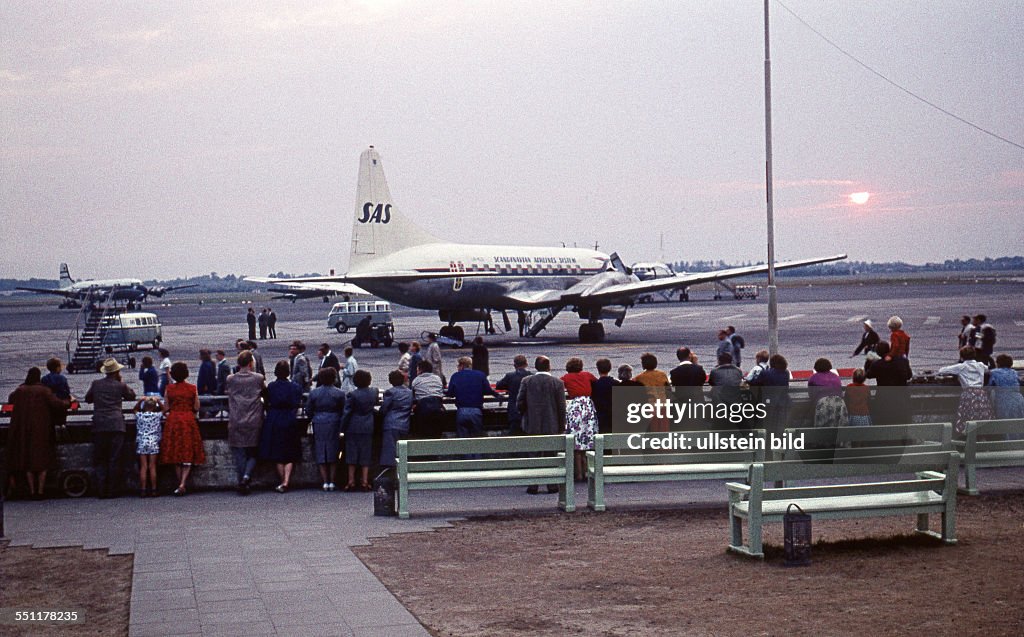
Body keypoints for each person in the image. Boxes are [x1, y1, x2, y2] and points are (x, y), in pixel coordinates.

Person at [7, 367, 70, 499]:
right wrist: (68, 402)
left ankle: (31, 491)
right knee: (42, 461)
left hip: (23, 430)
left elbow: (10, 399)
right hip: (41, 429)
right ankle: (40, 491)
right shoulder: (44, 391)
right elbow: (57, 404)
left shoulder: (20, 390)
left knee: (28, 462)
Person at [84, 358, 137, 498]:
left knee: (100, 458)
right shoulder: (120, 385)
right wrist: (121, 382)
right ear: (117, 371)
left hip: (99, 425)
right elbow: (132, 396)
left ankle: (101, 489)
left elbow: (87, 398)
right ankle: (113, 489)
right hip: (116, 425)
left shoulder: (96, 384)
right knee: (114, 458)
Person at [516, 356, 566, 494]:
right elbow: (562, 408)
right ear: (549, 366)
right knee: (551, 455)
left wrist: (526, 415)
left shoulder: (526, 381)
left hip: (532, 424)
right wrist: (561, 426)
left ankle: (533, 485)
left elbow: (519, 403)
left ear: (536, 367)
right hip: (552, 424)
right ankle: (552, 485)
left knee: (534, 456)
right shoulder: (558, 383)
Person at [160, 361, 205, 496]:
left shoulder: (169, 389)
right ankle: (182, 483)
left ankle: (180, 483)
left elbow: (166, 407)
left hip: (173, 420)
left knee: (176, 452)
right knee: (187, 450)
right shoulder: (192, 388)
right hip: (187, 419)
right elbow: (197, 407)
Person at [259, 360, 304, 492]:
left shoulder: (271, 387)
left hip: (274, 418)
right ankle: (286, 481)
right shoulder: (295, 387)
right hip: (289, 417)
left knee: (278, 452)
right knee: (289, 452)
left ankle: (282, 480)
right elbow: (297, 403)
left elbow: (266, 402)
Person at [226, 350, 266, 494]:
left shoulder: (231, 379)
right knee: (253, 452)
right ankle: (246, 477)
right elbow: (265, 393)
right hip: (254, 419)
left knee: (239, 453)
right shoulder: (258, 378)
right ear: (251, 363)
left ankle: (241, 480)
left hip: (236, 419)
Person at [938, 346, 994, 436]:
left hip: (969, 393)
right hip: (981, 393)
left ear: (962, 356)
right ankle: (982, 437)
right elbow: (989, 370)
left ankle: (967, 437)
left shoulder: (961, 367)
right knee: (981, 416)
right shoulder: (980, 365)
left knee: (967, 417)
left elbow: (942, 370)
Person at [306, 367, 346, 490]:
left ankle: (325, 481)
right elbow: (344, 410)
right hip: (334, 422)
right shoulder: (339, 393)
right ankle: (332, 481)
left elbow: (308, 410)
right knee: (333, 450)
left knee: (320, 450)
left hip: (319, 422)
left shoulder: (314, 393)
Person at [561, 357, 598, 480]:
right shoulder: (587, 375)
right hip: (587, 406)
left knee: (576, 441)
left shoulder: (566, 377)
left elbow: (558, 383)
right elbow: (596, 382)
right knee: (587, 441)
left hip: (575, 406)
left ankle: (578, 473)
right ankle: (587, 470)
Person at [341, 369, 378, 491]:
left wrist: (342, 428)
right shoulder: (374, 392)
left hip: (353, 426)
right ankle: (365, 481)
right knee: (365, 454)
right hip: (368, 425)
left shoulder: (352, 395)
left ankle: (351, 481)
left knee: (352, 454)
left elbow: (347, 413)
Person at [446, 356, 499, 439]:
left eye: (458, 366)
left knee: (463, 440)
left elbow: (450, 393)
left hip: (462, 411)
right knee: (476, 439)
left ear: (462, 366)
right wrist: (497, 395)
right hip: (476, 411)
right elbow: (488, 390)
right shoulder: (480, 375)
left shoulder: (455, 376)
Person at [864, 341, 913, 426]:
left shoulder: (877, 365)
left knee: (884, 427)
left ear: (878, 352)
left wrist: (868, 361)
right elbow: (909, 375)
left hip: (884, 402)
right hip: (902, 401)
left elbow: (868, 375)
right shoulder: (903, 361)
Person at [749, 353, 791, 435]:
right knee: (780, 423)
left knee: (768, 423)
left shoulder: (766, 373)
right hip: (783, 401)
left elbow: (755, 383)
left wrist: (747, 381)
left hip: (769, 401)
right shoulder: (786, 373)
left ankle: (768, 440)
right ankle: (779, 440)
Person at [380, 370, 414, 467]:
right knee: (402, 453)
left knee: (389, 454)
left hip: (391, 424)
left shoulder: (390, 392)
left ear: (391, 381)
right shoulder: (409, 392)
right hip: (405, 424)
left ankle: (389, 475)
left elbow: (384, 409)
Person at [133, 396, 163, 497]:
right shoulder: (157, 416)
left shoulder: (140, 415)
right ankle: (154, 489)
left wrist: (140, 400)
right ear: (154, 407)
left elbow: (134, 409)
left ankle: (143, 490)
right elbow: (164, 409)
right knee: (152, 466)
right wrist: (158, 400)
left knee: (144, 467)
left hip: (142, 441)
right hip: (153, 442)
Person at [496, 355, 533, 435]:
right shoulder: (531, 376)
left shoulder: (510, 376)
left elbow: (498, 385)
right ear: (526, 364)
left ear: (515, 365)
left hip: (514, 411)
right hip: (528, 411)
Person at [411, 360, 446, 439]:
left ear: (420, 370)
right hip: (437, 409)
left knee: (424, 436)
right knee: (436, 436)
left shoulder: (416, 380)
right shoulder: (437, 378)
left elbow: (413, 395)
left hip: (423, 411)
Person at [808, 358, 846, 427]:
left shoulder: (813, 377)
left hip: (823, 403)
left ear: (816, 367)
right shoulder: (836, 376)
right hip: (839, 402)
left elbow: (811, 394)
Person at [989, 354, 1024, 420]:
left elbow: (989, 386)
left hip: (1003, 400)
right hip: (1018, 399)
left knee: (1004, 423)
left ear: (998, 363)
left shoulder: (994, 372)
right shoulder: (1014, 372)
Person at [40, 357, 72, 430]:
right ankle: (62, 425)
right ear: (57, 368)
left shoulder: (44, 379)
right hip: (60, 404)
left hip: (49, 405)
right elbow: (67, 392)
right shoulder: (62, 378)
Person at [591, 358, 619, 435]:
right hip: (613, 417)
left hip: (599, 416)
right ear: (610, 368)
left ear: (598, 369)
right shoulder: (616, 383)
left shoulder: (594, 385)